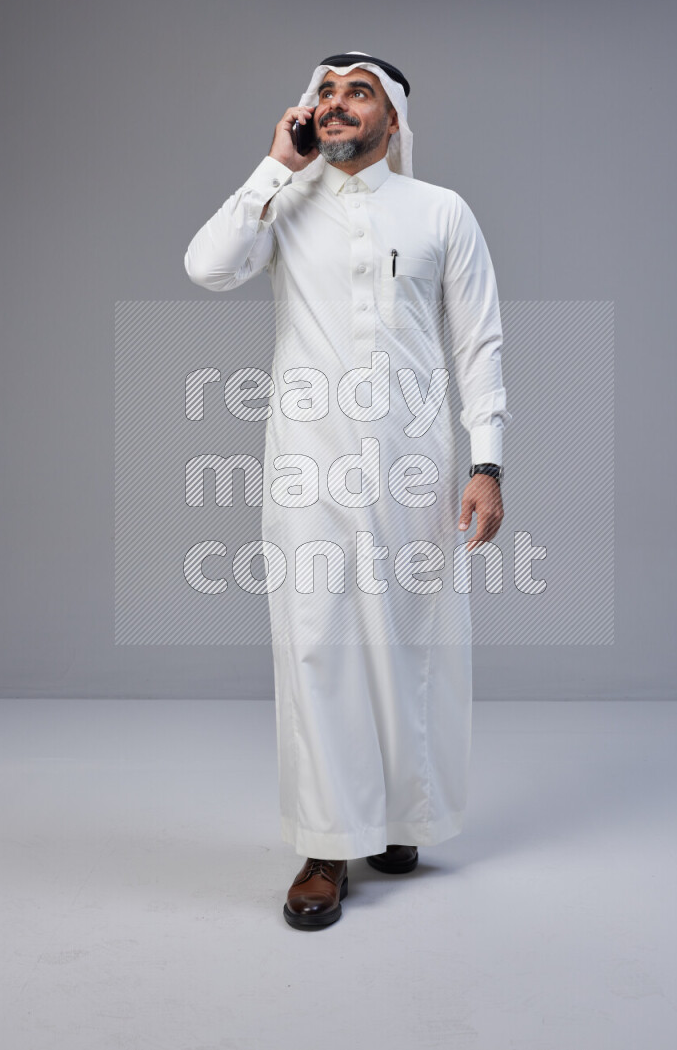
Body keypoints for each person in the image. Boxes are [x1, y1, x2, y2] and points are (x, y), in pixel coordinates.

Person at [184, 50, 511, 930]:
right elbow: (206, 266)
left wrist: (488, 463)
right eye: (322, 92)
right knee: (319, 642)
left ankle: (400, 817)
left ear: (392, 120)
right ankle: (327, 842)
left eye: (355, 93)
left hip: (414, 465)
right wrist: (274, 166)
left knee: (412, 640)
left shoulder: (441, 210)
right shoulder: (283, 204)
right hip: (309, 465)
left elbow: (478, 342)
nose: (334, 105)